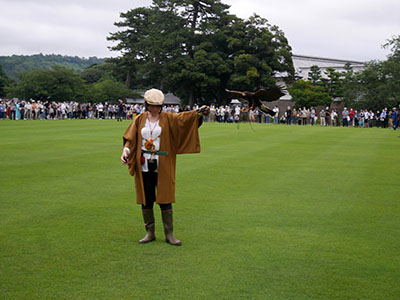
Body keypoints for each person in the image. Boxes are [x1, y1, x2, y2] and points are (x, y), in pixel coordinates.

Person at [121, 89, 209, 246]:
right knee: (146, 198)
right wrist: (126, 151)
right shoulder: (140, 119)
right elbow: (130, 138)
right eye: (153, 106)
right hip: (144, 163)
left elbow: (184, 119)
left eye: (158, 106)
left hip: (163, 163)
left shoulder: (168, 118)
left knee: (165, 197)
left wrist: (198, 113)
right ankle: (150, 232)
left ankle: (169, 234)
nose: (156, 109)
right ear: (147, 105)